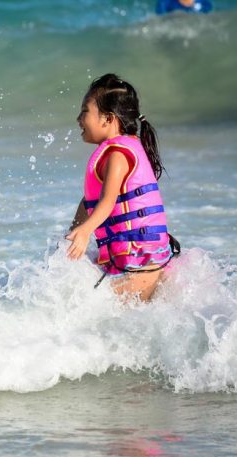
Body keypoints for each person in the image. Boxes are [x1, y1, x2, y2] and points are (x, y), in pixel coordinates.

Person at [66, 74, 179, 302]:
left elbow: (107, 202)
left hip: (140, 264)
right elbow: (91, 200)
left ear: (108, 119)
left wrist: (87, 230)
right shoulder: (122, 148)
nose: (78, 118)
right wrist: (73, 233)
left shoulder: (117, 155)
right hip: (142, 260)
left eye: (85, 111)